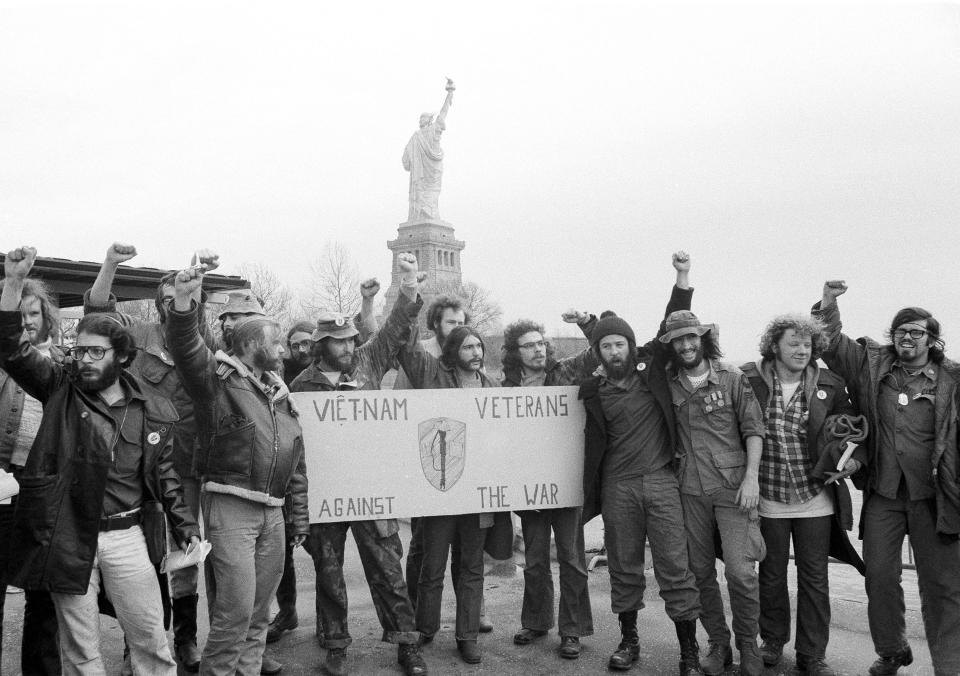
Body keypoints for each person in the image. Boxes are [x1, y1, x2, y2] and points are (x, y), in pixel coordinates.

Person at [0, 246, 200, 675]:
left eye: (96, 353)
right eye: (79, 351)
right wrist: (14, 282)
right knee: (81, 651)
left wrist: (185, 528)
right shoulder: (60, 387)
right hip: (69, 533)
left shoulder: (154, 408)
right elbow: (13, 350)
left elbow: (163, 473)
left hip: (127, 537)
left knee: (150, 640)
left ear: (122, 357)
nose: (83, 360)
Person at [165, 262, 309, 675]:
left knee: (259, 615)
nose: (282, 350)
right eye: (275, 342)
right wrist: (183, 301)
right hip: (231, 509)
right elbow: (188, 348)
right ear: (250, 344)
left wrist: (296, 513)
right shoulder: (218, 381)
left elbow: (296, 459)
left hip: (273, 513)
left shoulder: (280, 395)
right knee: (233, 615)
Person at [288, 265, 429, 676]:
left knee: (388, 571)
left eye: (350, 339)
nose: (348, 347)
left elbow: (397, 328)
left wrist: (406, 288)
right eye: (338, 342)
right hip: (326, 493)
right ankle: (335, 645)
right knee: (328, 574)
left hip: (371, 487)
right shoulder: (301, 386)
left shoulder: (370, 362)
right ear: (321, 346)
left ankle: (406, 644)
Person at [814, 281, 960, 675]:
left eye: (917, 332)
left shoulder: (953, 379)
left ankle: (949, 665)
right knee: (879, 575)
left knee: (942, 587)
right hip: (884, 493)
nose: (908, 338)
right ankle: (892, 650)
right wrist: (828, 302)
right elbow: (830, 343)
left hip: (937, 498)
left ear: (932, 338)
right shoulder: (872, 365)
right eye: (901, 331)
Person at [85, 241, 218, 672]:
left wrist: (198, 284)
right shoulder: (137, 336)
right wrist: (110, 265)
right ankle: (136, 640)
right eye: (166, 298)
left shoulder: (203, 340)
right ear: (157, 304)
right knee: (140, 559)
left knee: (185, 554)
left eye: (180, 297)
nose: (174, 303)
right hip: (139, 464)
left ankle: (185, 640)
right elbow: (99, 310)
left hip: (187, 463)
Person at [577, 252, 704, 675]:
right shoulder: (591, 391)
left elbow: (672, 320)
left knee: (674, 566)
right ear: (597, 352)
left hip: (661, 481)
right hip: (618, 488)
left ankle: (689, 651)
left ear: (632, 347)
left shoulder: (652, 370)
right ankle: (629, 641)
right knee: (624, 567)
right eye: (606, 345)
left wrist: (682, 277)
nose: (614, 351)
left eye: (620, 344)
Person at [742, 314, 865, 675]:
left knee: (814, 577)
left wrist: (853, 460)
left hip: (815, 498)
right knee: (771, 574)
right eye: (793, 342)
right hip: (768, 496)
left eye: (807, 344)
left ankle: (812, 652)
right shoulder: (750, 380)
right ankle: (773, 640)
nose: (801, 349)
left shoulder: (830, 382)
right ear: (775, 346)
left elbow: (853, 431)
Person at [398, 323, 514, 666]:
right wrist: (408, 298)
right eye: (467, 347)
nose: (475, 352)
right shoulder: (436, 377)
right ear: (453, 352)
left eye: (478, 346)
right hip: (442, 489)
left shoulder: (492, 386)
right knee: (432, 565)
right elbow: (409, 352)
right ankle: (426, 628)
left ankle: (467, 636)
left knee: (471, 567)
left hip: (477, 494)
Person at [663, 310, 766, 676]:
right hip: (689, 489)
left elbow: (754, 429)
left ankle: (749, 645)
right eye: (678, 340)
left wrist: (752, 478)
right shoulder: (669, 382)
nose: (687, 345)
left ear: (702, 339)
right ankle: (718, 643)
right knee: (699, 572)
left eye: (691, 338)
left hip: (733, 488)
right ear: (672, 346)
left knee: (740, 572)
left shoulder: (732, 377)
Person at [499, 318, 595, 659]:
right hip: (529, 488)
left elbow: (597, 352)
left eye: (541, 343)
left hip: (566, 483)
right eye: (529, 344)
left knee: (571, 559)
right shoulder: (506, 388)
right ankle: (536, 621)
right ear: (515, 352)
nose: (538, 349)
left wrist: (588, 323)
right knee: (535, 560)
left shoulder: (564, 372)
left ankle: (572, 630)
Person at [0, 275, 62, 675]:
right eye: (19, 314)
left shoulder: (64, 364)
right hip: (3, 484)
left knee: (43, 596)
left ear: (47, 317)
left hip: (43, 488)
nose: (26, 321)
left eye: (33, 313)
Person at [264, 320, 316, 646]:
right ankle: (287, 610)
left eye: (308, 343)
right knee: (284, 551)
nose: (303, 350)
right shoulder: (280, 377)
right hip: (288, 469)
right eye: (296, 344)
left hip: (324, 471)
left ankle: (329, 620)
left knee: (323, 550)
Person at [402, 78, 455, 222]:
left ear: (428, 120)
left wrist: (450, 93)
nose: (420, 120)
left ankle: (427, 215)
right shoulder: (415, 137)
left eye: (422, 118)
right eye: (419, 118)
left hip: (431, 170)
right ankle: (425, 215)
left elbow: (444, 112)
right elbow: (406, 161)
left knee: (431, 194)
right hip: (427, 172)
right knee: (426, 194)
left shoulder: (433, 129)